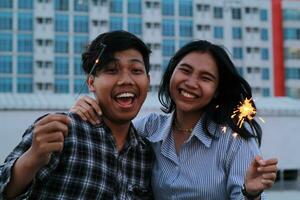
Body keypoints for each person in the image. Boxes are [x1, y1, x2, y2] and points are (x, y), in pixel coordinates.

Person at [71, 40, 278, 199]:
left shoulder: (235, 139)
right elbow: (113, 130)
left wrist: (250, 194)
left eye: (205, 78)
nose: (191, 83)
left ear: (216, 91)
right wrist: (87, 108)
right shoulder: (149, 129)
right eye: (185, 71)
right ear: (171, 73)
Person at [0, 30, 154, 199]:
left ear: (148, 81)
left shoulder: (146, 154)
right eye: (111, 70)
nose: (126, 80)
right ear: (91, 82)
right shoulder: (60, 131)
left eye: (136, 70)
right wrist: (33, 157)